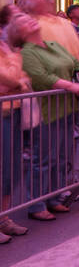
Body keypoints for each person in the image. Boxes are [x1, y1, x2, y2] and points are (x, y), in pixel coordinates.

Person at [13, 11, 79, 219]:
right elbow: (42, 78)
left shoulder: (52, 45)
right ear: (19, 32)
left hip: (65, 107)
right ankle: (36, 205)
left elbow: (74, 63)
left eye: (29, 17)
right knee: (43, 158)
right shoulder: (28, 52)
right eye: (23, 21)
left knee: (61, 156)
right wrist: (71, 86)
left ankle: (54, 197)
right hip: (47, 109)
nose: (30, 19)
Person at [0, 22, 30, 240]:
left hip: (14, 109)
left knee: (10, 167)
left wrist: (17, 83)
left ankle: (4, 217)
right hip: (3, 112)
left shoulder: (8, 48)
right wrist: (17, 82)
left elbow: (24, 80)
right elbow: (8, 80)